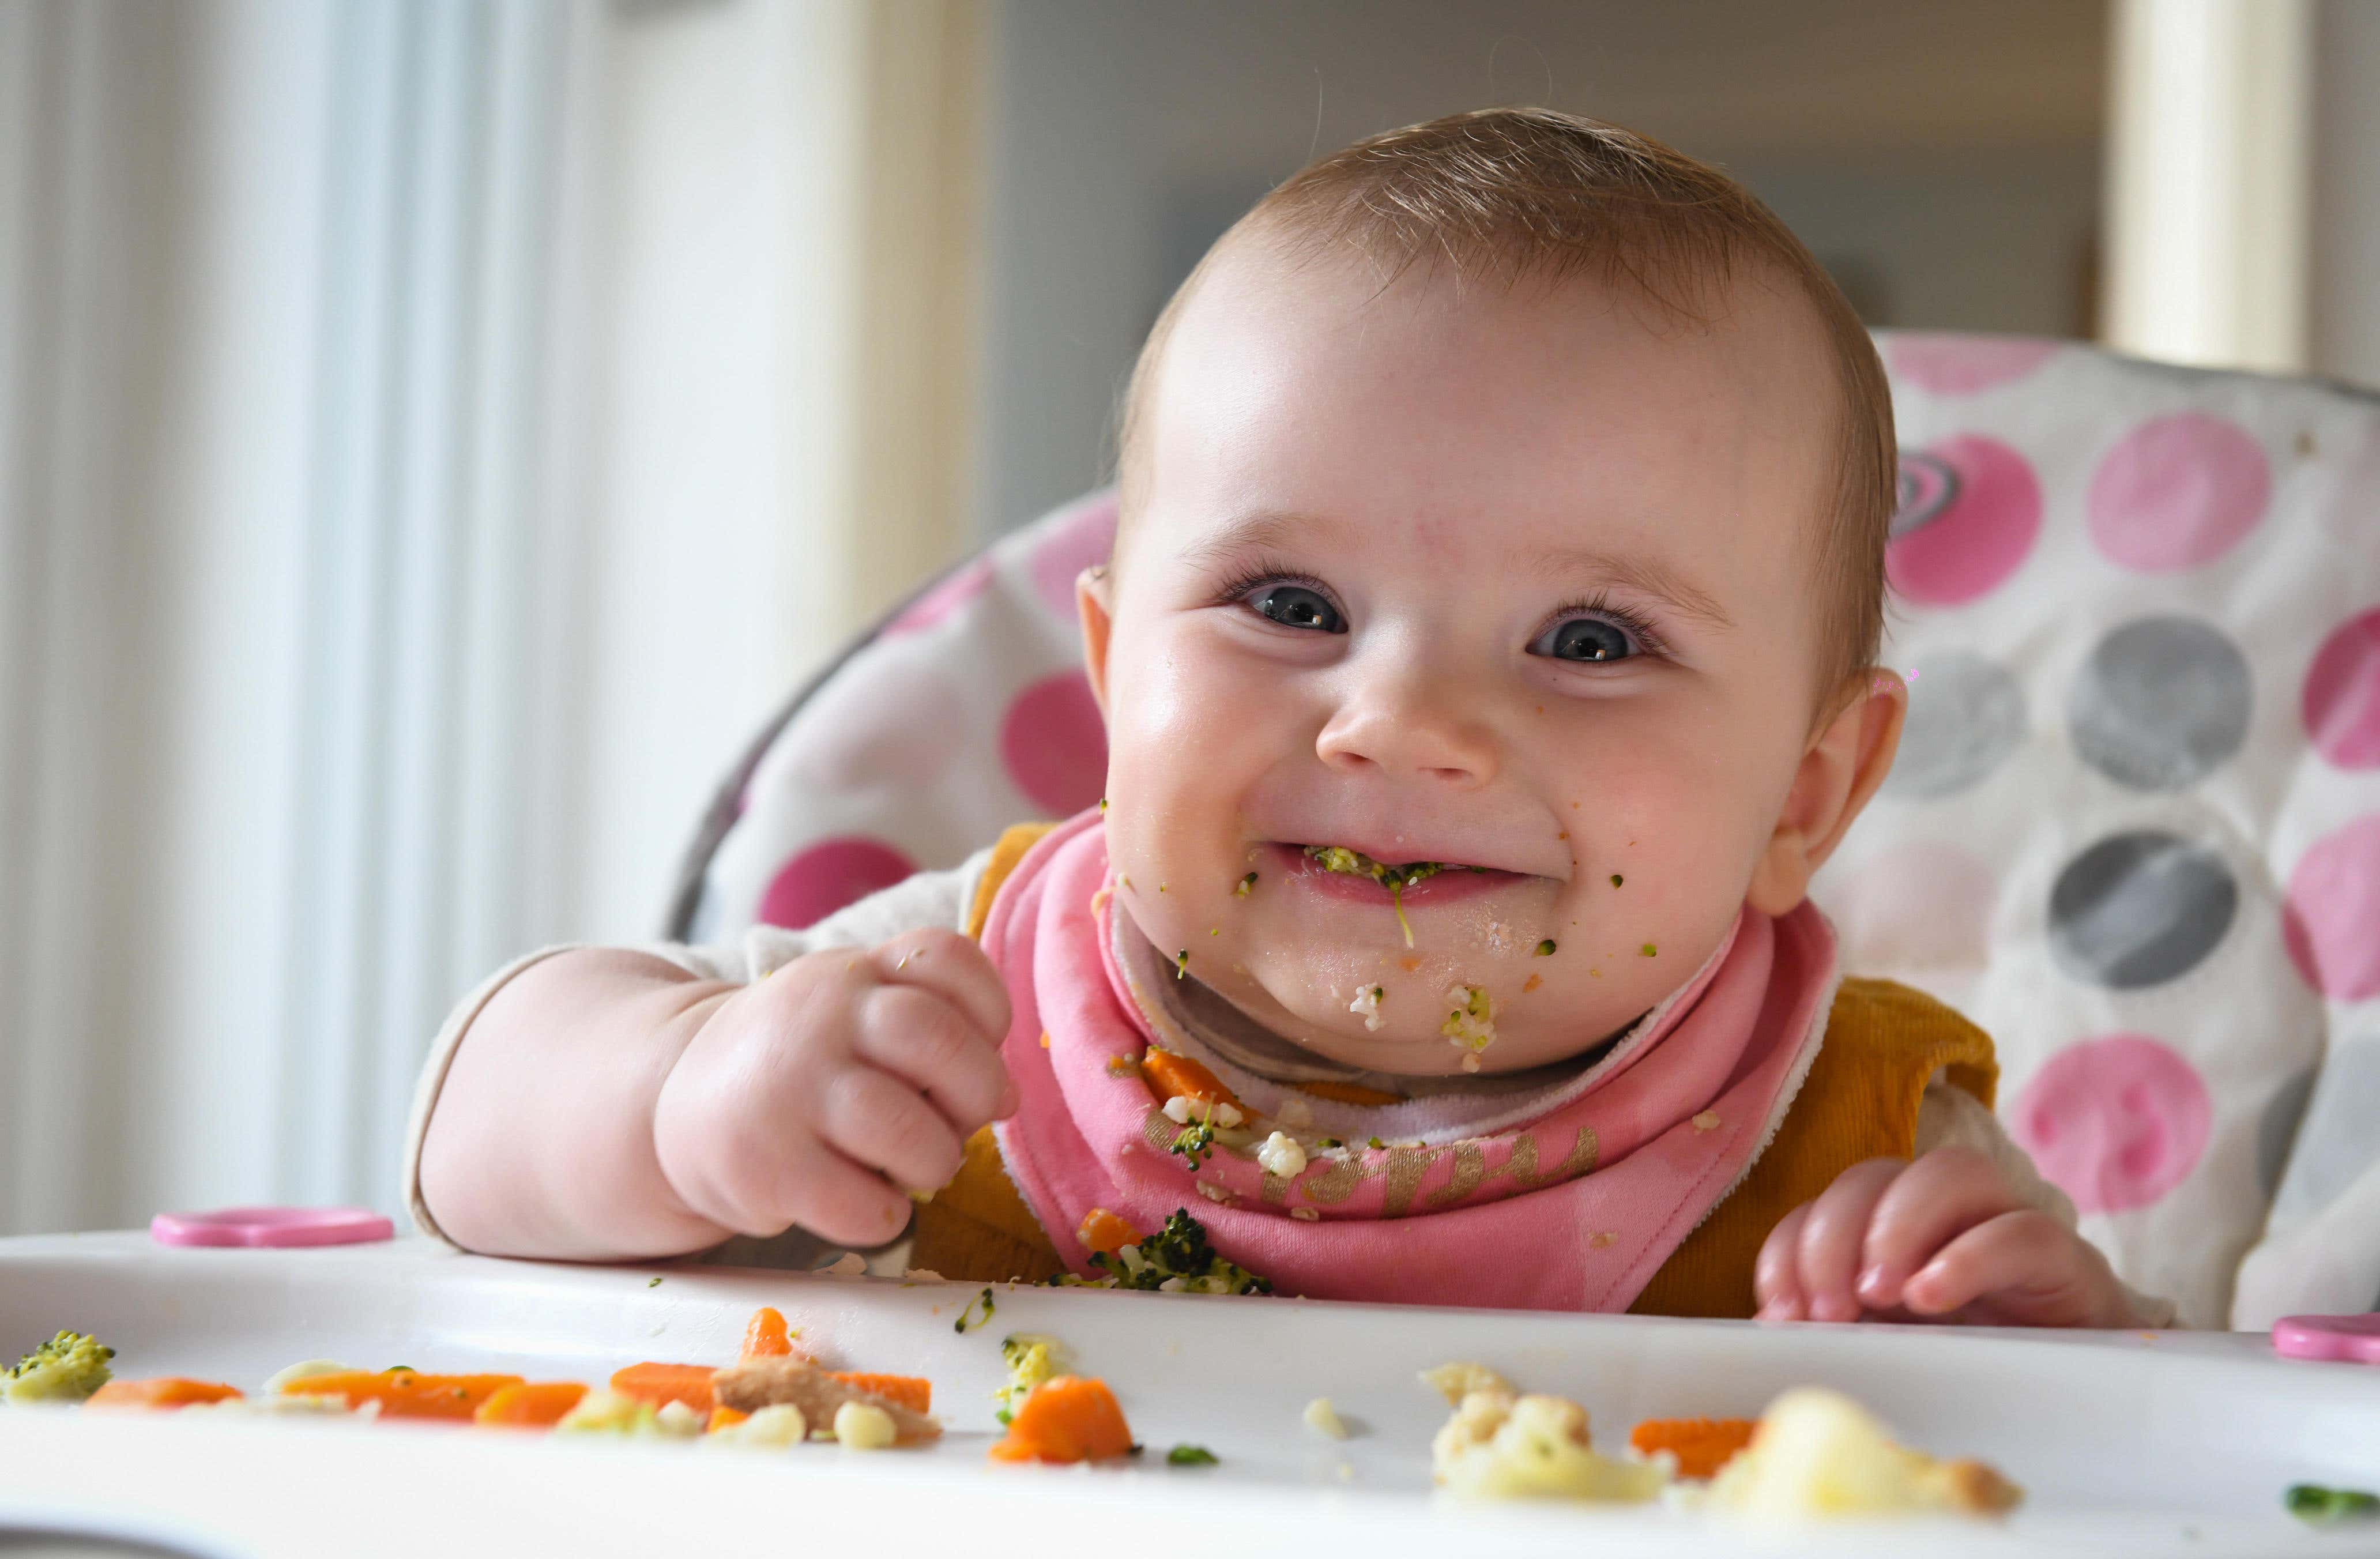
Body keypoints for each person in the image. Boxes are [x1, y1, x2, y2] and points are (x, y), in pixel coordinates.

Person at [409, 108, 2168, 1327]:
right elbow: (468, 1144)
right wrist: (677, 1098)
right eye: (1293, 608)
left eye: (1587, 637)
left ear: (1808, 793)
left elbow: (2146, 1469)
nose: (1402, 724)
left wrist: (2032, 1342)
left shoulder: (1843, 1134)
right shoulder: (962, 1011)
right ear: (1113, 680)